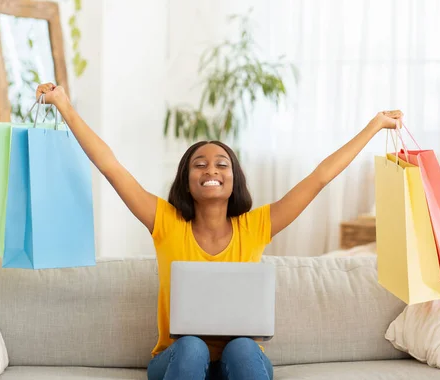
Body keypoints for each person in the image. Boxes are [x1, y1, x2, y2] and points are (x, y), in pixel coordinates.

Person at [35, 83, 402, 380]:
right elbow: (110, 166)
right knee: (192, 345)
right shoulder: (164, 222)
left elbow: (319, 177)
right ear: (187, 179)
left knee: (242, 347)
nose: (211, 169)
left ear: (233, 178)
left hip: (239, 364)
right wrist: (65, 107)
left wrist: (372, 127)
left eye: (221, 164)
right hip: (176, 361)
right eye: (200, 164)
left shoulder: (256, 226)